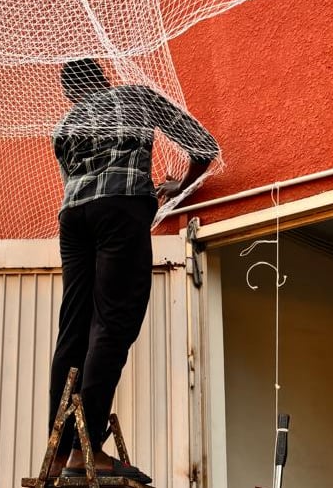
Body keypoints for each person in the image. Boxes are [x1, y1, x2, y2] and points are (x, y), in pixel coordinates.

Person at [48, 59, 218, 481]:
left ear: (71, 93)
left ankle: (56, 453)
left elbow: (76, 181)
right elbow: (203, 147)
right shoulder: (136, 97)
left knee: (73, 330)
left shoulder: (65, 128)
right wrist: (181, 184)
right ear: (105, 77)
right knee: (113, 323)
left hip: (73, 219)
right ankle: (84, 453)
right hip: (120, 207)